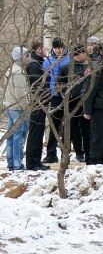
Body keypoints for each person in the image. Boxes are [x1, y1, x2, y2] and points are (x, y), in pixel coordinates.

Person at [57, 43, 90, 163]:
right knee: (69, 130)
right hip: (71, 104)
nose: (86, 55)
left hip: (84, 103)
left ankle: (84, 153)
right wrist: (68, 95)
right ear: (78, 54)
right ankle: (65, 154)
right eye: (84, 53)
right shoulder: (66, 68)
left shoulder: (87, 67)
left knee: (86, 130)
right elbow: (59, 86)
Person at [42, 37, 70, 163]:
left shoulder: (69, 58)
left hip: (70, 96)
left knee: (70, 126)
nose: (58, 50)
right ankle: (51, 153)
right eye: (56, 48)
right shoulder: (48, 61)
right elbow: (45, 79)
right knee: (54, 125)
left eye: (60, 47)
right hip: (55, 96)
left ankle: (68, 153)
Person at [25, 42, 51, 171]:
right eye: (45, 48)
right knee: (35, 133)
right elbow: (36, 86)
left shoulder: (38, 63)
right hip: (38, 104)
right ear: (39, 49)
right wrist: (42, 100)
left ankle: (37, 161)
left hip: (42, 103)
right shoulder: (34, 65)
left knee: (39, 132)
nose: (46, 50)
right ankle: (32, 163)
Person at [4, 47, 30, 171]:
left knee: (11, 136)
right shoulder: (18, 72)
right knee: (18, 137)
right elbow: (21, 94)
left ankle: (11, 163)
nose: (29, 58)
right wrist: (27, 107)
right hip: (18, 108)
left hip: (10, 106)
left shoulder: (11, 70)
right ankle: (17, 164)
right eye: (27, 56)